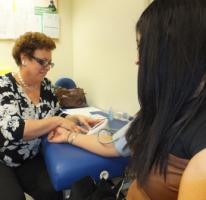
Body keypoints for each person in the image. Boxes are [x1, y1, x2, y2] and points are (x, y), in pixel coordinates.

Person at [49, 0, 206, 199]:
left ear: (173, 52)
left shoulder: (201, 151)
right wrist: (71, 137)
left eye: (142, 47)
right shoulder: (161, 108)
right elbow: (116, 145)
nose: (137, 59)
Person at [0, 32, 99, 200]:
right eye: (42, 61)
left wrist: (71, 119)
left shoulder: (47, 86)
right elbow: (15, 130)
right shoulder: (4, 85)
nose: (47, 67)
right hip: (3, 159)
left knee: (53, 192)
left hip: (31, 158)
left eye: (49, 62)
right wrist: (57, 120)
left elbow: (54, 113)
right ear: (24, 58)